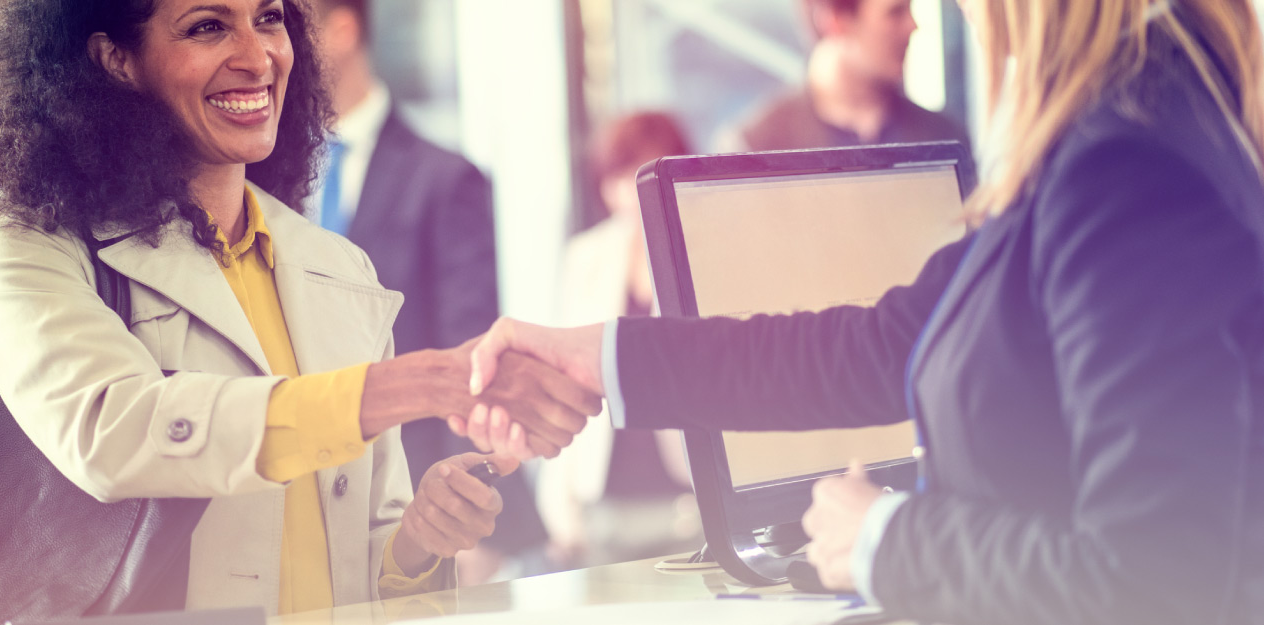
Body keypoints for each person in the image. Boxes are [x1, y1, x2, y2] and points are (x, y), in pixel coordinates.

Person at [461, 1, 1264, 623]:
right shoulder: (1104, 142)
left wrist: (885, 539)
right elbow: (878, 346)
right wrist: (600, 356)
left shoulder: (1129, 168)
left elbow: (1159, 574)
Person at [0, 0, 597, 616]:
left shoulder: (339, 268)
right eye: (208, 26)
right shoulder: (29, 237)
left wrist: (420, 542)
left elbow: (366, 575)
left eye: (269, 18)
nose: (258, 55)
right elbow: (112, 432)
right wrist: (423, 383)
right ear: (116, 59)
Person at [311, 0, 548, 584]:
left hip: (411, 490)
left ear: (343, 29)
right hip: (303, 490)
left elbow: (467, 354)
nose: (269, 50)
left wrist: (463, 512)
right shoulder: (267, 183)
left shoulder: (443, 178)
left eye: (286, 25)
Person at [539, 111, 700, 568]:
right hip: (603, 496)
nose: (629, 189)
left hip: (686, 493)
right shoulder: (586, 256)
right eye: (618, 175)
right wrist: (560, 503)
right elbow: (563, 370)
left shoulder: (699, 243)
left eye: (644, 171)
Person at [717, 0, 968, 152]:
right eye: (895, 12)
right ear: (836, 22)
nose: (914, 25)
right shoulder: (756, 144)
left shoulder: (945, 137)